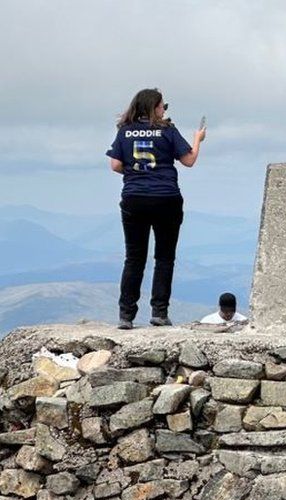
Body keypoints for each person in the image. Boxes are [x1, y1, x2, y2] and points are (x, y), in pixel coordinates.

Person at [107, 88, 205, 329]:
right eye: (163, 106)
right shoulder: (167, 131)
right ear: (154, 108)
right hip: (166, 198)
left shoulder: (125, 131)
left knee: (134, 258)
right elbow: (189, 160)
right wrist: (197, 139)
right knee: (164, 257)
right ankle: (159, 312)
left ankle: (126, 315)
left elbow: (115, 165)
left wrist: (135, 172)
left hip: (134, 199)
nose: (164, 110)